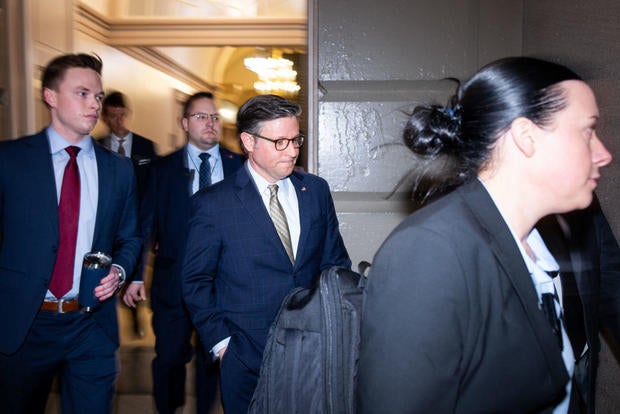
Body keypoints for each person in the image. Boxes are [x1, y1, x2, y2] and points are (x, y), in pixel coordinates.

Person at [358, 57, 613, 413]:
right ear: (526, 137)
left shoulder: (542, 239)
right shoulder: (429, 252)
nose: (604, 154)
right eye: (587, 131)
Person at [182, 94, 351, 413]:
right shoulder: (214, 204)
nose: (292, 150)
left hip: (313, 356)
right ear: (248, 141)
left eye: (296, 140)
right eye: (280, 142)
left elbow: (335, 264)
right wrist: (223, 346)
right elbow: (195, 280)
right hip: (245, 359)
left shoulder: (314, 191)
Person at [0, 53, 141, 413]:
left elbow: (130, 237)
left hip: (90, 325)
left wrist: (120, 271)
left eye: (98, 96)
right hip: (24, 325)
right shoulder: (11, 161)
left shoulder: (119, 171)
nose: (94, 104)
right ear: (50, 96)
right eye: (82, 93)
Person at [123, 91, 244, 414]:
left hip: (222, 285)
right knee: (170, 358)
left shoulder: (239, 167)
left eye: (215, 117)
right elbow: (146, 224)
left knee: (213, 358)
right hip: (172, 283)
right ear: (185, 123)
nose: (210, 123)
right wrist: (136, 275)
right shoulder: (163, 169)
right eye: (202, 117)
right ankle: (168, 408)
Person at [535, 196, 620, 413]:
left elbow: (611, 278)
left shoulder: (579, 188)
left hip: (581, 363)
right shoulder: (467, 214)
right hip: (528, 386)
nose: (603, 159)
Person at [99, 90, 157, 339]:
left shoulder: (145, 146)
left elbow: (154, 188)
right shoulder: (97, 146)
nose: (117, 121)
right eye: (112, 116)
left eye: (121, 115)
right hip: (107, 223)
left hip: (139, 221)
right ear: (105, 117)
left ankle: (134, 314)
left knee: (134, 267)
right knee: (106, 271)